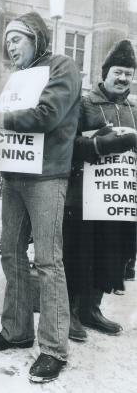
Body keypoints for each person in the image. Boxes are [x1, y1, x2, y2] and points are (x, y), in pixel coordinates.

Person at [0, 11, 82, 383]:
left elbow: (46, 115)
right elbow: (3, 122)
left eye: (17, 38)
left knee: (48, 261)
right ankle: (17, 330)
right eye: (7, 40)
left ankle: (54, 349)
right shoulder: (18, 78)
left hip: (47, 177)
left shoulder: (63, 67)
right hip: (15, 174)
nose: (9, 45)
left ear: (37, 38)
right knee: (11, 253)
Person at [63, 39, 137, 342]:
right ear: (104, 73)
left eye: (129, 74)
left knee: (110, 252)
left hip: (117, 198)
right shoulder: (84, 103)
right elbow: (67, 145)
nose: (123, 79)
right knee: (79, 253)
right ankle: (68, 312)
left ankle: (91, 309)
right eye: (118, 72)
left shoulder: (134, 109)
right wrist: (98, 145)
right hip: (83, 194)